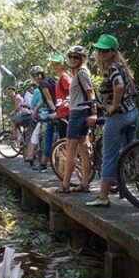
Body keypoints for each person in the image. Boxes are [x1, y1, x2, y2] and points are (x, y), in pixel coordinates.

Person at [85, 34, 139, 207]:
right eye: (99, 50)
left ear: (112, 52)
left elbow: (119, 86)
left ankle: (103, 196)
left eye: (103, 50)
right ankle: (136, 183)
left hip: (118, 117)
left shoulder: (113, 68)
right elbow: (130, 89)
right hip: (132, 113)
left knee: (109, 156)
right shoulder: (122, 67)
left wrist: (113, 105)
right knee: (129, 152)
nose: (100, 53)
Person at [55, 45, 96, 194]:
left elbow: (90, 93)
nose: (73, 59)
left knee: (70, 150)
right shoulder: (78, 74)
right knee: (83, 150)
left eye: (76, 57)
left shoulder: (81, 73)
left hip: (79, 113)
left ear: (82, 59)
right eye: (71, 57)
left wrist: (94, 113)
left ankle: (65, 185)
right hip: (79, 111)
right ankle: (85, 184)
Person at [34, 54, 70, 172]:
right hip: (58, 112)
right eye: (53, 64)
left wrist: (55, 112)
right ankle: (59, 169)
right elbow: (45, 99)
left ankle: (48, 165)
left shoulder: (45, 84)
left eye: (38, 75)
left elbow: (49, 99)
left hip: (58, 113)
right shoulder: (54, 80)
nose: (36, 78)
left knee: (53, 139)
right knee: (59, 140)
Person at [24, 67, 46, 165]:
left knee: (34, 134)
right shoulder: (44, 86)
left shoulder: (38, 90)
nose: (36, 77)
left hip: (44, 115)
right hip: (47, 113)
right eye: (34, 76)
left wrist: (35, 108)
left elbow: (33, 105)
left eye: (38, 75)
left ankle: (31, 155)